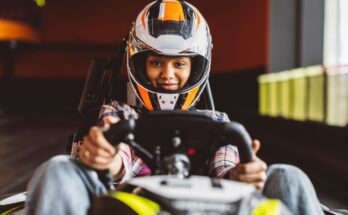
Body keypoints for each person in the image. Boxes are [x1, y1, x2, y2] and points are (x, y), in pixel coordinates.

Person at [24, 1, 325, 215]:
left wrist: (242, 176)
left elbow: (224, 171)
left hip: (210, 209)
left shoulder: (219, 123)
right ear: (138, 64)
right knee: (60, 168)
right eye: (157, 63)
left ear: (196, 67)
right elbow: (120, 162)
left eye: (179, 64)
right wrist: (108, 160)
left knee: (288, 176)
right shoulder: (118, 115)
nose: (168, 75)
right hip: (130, 208)